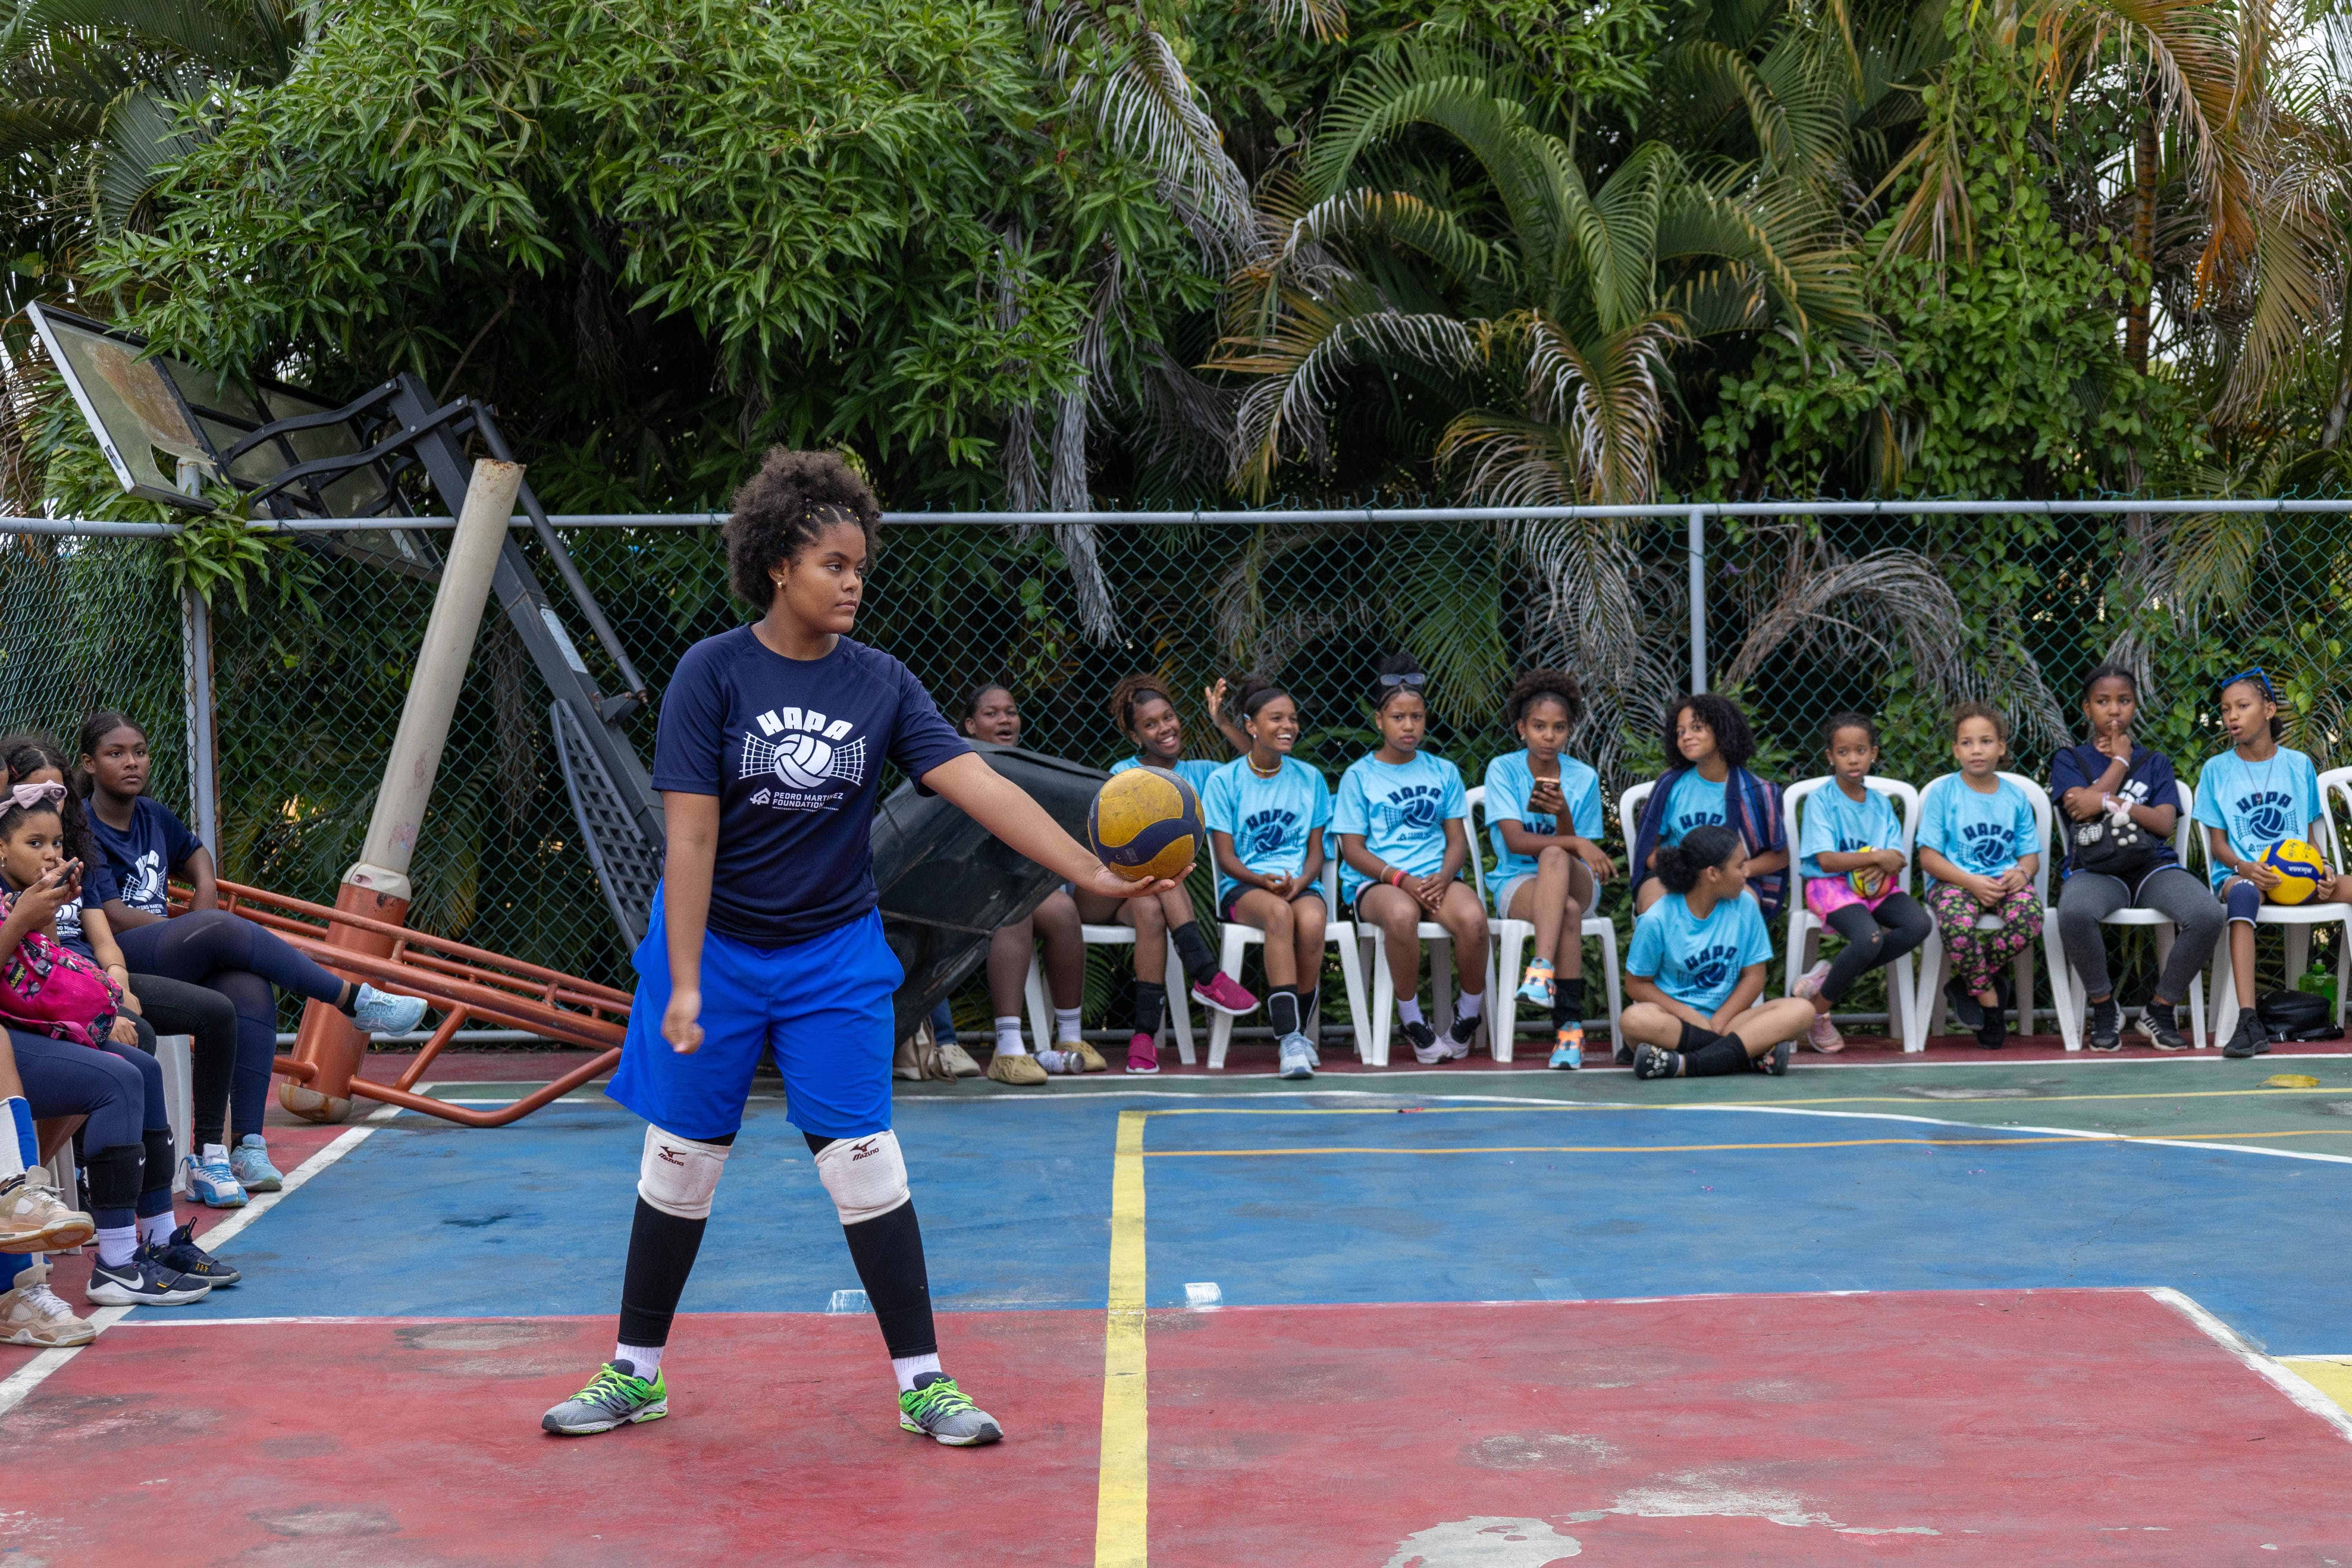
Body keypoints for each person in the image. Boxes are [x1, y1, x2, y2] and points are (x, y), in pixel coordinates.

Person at [538, 448, 1179, 1445]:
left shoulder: (881, 683)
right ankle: (636, 1371)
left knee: (866, 1164)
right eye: (834, 563)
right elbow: (692, 835)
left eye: (860, 567)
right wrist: (689, 979)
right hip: (713, 947)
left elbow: (984, 784)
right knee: (681, 1164)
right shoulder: (711, 673)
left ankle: (925, 1381)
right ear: (778, 565)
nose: (853, 582)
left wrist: (1089, 871)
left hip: (832, 953)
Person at [78, 711, 430, 1178]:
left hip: (169, 948)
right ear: (88, 764)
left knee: (249, 984)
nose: (132, 763)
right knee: (223, 930)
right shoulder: (82, 827)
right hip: (119, 955)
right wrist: (198, 929)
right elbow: (112, 916)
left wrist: (203, 901)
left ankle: (247, 1147)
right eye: (115, 754)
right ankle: (352, 999)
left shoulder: (153, 815)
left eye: (139, 752)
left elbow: (196, 853)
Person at [0, 780, 232, 1311]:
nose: (50, 854)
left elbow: (46, 975)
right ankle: (117, 1263)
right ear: (2, 848)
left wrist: (45, 916)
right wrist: (21, 919)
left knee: (142, 1069)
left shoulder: (27, 893)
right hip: (6, 1043)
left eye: (56, 843)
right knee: (117, 1080)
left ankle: (157, 1237)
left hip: (30, 1029)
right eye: (34, 844)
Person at [4, 738, 249, 1204]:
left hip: (78, 987)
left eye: (54, 832)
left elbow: (78, 954)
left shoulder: (72, 860)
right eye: (31, 803)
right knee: (127, 1060)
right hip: (38, 1013)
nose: (49, 843)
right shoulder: (16, 886)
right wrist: (28, 914)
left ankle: (201, 1168)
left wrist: (114, 986)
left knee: (216, 1010)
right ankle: (57, 1178)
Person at [2050, 665, 2225, 1052]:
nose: (2114, 711)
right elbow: (2079, 809)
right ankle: (2104, 1005)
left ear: (2135, 706)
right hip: (2096, 869)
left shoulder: (2156, 762)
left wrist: (2110, 801)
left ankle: (2160, 1008)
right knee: (2075, 913)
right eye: (2103, 702)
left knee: (2208, 914)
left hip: (2152, 867)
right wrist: (2121, 763)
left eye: (2124, 701)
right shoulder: (2070, 759)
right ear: (2087, 708)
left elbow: (2163, 823)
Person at [1332, 655, 1489, 1065]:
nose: (1408, 726)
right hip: (1379, 883)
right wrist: (1400, 878)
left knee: (1473, 920)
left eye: (1416, 717)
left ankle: (1467, 1017)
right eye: (1398, 717)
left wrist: (1442, 876)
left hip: (1435, 878)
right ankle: (1412, 1020)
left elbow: (1456, 839)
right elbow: (1353, 850)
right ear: (1379, 720)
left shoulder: (1443, 771)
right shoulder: (1359, 776)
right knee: (1402, 916)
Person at [1098, 674, 1257, 1073]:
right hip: (1112, 889)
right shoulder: (1124, 772)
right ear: (1136, 736)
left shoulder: (1203, 774)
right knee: (1161, 862)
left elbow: (1260, 761)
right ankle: (1205, 973)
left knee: (1153, 907)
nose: (1165, 728)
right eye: (1150, 725)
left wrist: (1223, 723)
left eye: (1168, 717)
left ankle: (1143, 1037)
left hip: (1149, 897)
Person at [2195, 667, 2351, 1059]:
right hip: (2245, 876)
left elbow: (2312, 840)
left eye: (2242, 706)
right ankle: (2248, 1020)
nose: (2232, 716)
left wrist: (2326, 869)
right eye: (2226, 709)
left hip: (2298, 878)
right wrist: (2243, 868)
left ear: (2267, 709)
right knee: (2245, 895)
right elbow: (2218, 845)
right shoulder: (2216, 770)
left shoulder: (2298, 765)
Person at [955, 682, 1101, 1081]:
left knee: (1064, 909)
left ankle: (1070, 1038)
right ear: (969, 725)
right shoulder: (954, 766)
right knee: (1014, 910)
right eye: (992, 713)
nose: (1005, 719)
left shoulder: (1029, 768)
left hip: (1016, 883)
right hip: (960, 890)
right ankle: (1008, 1048)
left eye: (1011, 711)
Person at [1482, 669, 1614, 1070]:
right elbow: (1517, 844)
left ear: (1569, 731)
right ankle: (1569, 1033)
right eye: (1539, 726)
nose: (1549, 736)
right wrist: (1573, 841)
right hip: (1518, 880)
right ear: (1522, 729)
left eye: (1558, 728)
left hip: (1575, 879)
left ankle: (1540, 970)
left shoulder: (1583, 777)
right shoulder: (1504, 770)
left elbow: (1577, 856)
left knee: (1556, 857)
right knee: (1566, 909)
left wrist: (1564, 816)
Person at [1202, 677, 1331, 1080]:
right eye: (1276, 718)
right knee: (1279, 915)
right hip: (1245, 887)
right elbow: (1225, 858)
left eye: (1293, 718)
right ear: (1251, 726)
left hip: (1299, 881)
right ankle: (1290, 1038)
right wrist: (1263, 881)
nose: (1288, 726)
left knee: (1311, 921)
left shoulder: (1310, 779)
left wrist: (1302, 880)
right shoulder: (1224, 782)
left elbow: (1316, 851)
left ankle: (1300, 1034)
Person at [1788, 714, 1933, 1054]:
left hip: (1877, 887)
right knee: (1868, 938)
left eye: (1861, 751)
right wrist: (1876, 859)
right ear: (1829, 757)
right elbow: (1826, 860)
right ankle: (1818, 1014)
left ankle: (1824, 982)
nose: (1853, 759)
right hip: (1831, 887)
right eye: (1843, 752)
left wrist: (1885, 864)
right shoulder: (1821, 801)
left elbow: (1896, 859)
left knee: (1919, 925)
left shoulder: (1881, 804)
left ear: (1874, 754)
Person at [1623, 825, 1808, 1079]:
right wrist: (1692, 1017)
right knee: (1634, 1020)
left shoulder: (1746, 906)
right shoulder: (1657, 919)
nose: (1747, 873)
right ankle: (1748, 1057)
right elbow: (1636, 985)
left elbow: (1754, 977)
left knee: (1802, 1011)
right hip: (1676, 1023)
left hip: (1732, 1021)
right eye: (1740, 866)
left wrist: (1719, 1022)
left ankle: (1683, 1065)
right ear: (1713, 874)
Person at [1916, 704, 2043, 1050]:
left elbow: (2030, 855)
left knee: (2030, 918)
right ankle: (1990, 1005)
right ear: (1956, 750)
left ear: (2001, 748)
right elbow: (1928, 857)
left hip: (2003, 882)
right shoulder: (1944, 793)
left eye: (1986, 741)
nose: (1976, 750)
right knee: (1957, 926)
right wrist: (1970, 882)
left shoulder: (2015, 797)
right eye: (1967, 742)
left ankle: (1967, 982)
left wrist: (2023, 873)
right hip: (1954, 882)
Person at [1630, 694, 1787, 920]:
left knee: (1747, 906)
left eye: (1697, 728)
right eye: (1681, 732)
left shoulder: (1756, 793)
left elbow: (1781, 857)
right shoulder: (1670, 786)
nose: (1686, 737)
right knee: (1655, 909)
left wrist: (1740, 871)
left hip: (1728, 879)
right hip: (1675, 878)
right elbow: (1649, 848)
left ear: (1722, 731)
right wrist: (1679, 874)